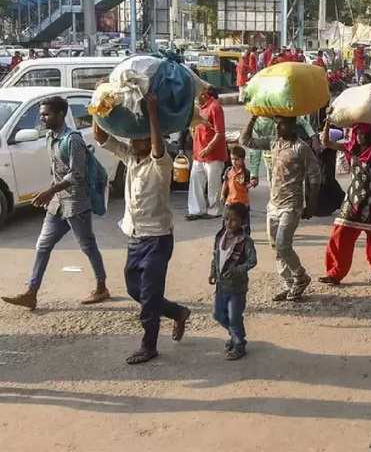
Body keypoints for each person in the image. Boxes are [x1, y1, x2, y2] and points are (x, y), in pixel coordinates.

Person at [95, 95, 191, 364]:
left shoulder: (161, 164)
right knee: (134, 290)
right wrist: (98, 106)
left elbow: (158, 146)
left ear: (149, 141)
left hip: (158, 239)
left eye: (139, 138)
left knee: (149, 296)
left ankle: (149, 346)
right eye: (132, 138)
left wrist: (152, 112)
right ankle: (178, 312)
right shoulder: (130, 159)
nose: (132, 142)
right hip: (135, 238)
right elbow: (101, 137)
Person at [2, 96, 109, 310]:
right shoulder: (51, 136)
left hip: (76, 203)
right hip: (57, 203)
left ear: (60, 115)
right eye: (41, 114)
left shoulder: (73, 140)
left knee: (87, 246)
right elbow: (57, 171)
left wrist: (50, 191)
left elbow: (76, 175)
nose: (42, 118)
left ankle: (101, 287)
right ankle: (31, 292)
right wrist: (51, 194)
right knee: (42, 246)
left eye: (46, 114)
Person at [241, 115, 321, 301]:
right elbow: (246, 141)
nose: (277, 127)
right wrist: (252, 117)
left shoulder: (301, 148)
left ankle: (300, 276)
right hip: (274, 204)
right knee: (276, 247)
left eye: (281, 123)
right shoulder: (273, 143)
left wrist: (312, 204)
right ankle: (289, 284)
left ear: (292, 125)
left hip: (291, 205)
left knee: (283, 244)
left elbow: (315, 177)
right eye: (276, 123)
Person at [319, 122, 371, 286]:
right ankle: (334, 273)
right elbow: (326, 143)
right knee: (339, 234)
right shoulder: (350, 149)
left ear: (370, 135)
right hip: (352, 199)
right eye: (358, 133)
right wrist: (328, 124)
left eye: (364, 134)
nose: (360, 136)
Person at [210, 202, 257, 361]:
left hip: (237, 288)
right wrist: (212, 272)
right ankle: (235, 334)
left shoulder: (246, 241)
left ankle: (239, 344)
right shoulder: (220, 237)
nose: (229, 223)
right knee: (217, 314)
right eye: (226, 219)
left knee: (234, 316)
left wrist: (237, 270)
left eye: (234, 220)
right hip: (221, 286)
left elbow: (252, 261)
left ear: (243, 222)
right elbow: (215, 256)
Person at [187, 86, 228, 220]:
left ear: (203, 94)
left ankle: (214, 210)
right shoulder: (198, 108)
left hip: (213, 155)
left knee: (213, 184)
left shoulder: (215, 107)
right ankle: (196, 210)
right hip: (199, 153)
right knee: (196, 181)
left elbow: (220, 133)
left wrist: (208, 148)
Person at [247, 116, 316, 187]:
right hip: (272, 160)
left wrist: (313, 137)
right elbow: (254, 147)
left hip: (289, 156)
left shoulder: (282, 111)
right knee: (275, 186)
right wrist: (254, 173)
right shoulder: (259, 121)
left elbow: (302, 122)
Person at [222, 145, 251, 235]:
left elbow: (246, 186)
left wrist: (252, 184)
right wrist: (222, 195)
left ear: (242, 159)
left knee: (244, 223)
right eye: (232, 159)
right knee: (227, 221)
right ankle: (227, 235)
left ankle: (245, 237)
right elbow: (225, 183)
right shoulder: (228, 171)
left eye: (237, 159)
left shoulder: (246, 173)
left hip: (242, 202)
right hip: (230, 201)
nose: (234, 162)